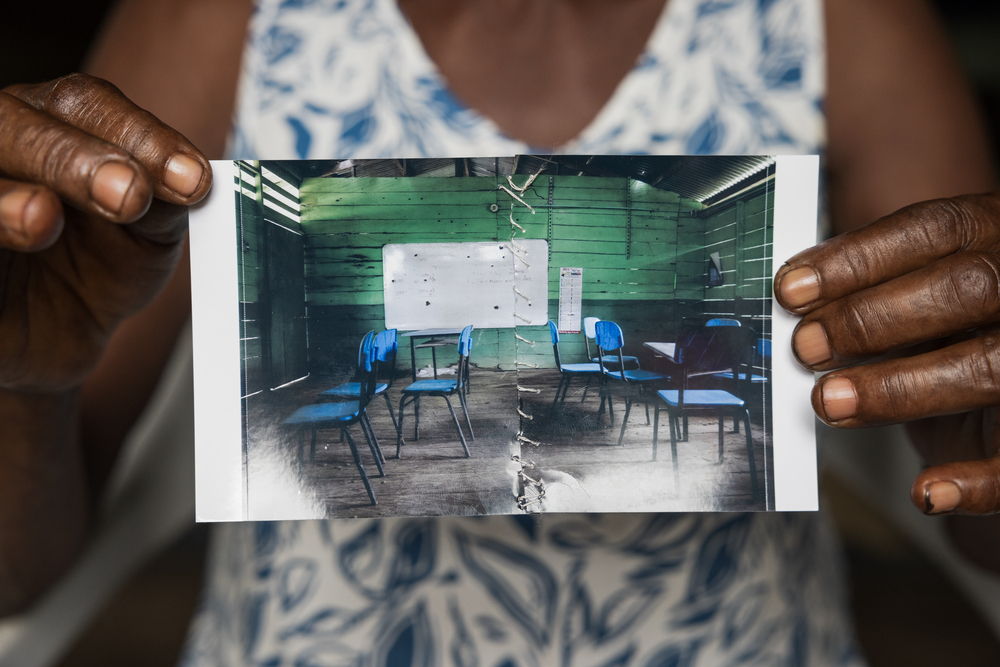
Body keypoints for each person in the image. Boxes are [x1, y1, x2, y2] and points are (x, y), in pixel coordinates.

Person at [1, 0, 998, 663]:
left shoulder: (840, 20)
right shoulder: (222, 16)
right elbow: (20, 574)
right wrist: (16, 382)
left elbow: (971, 498)